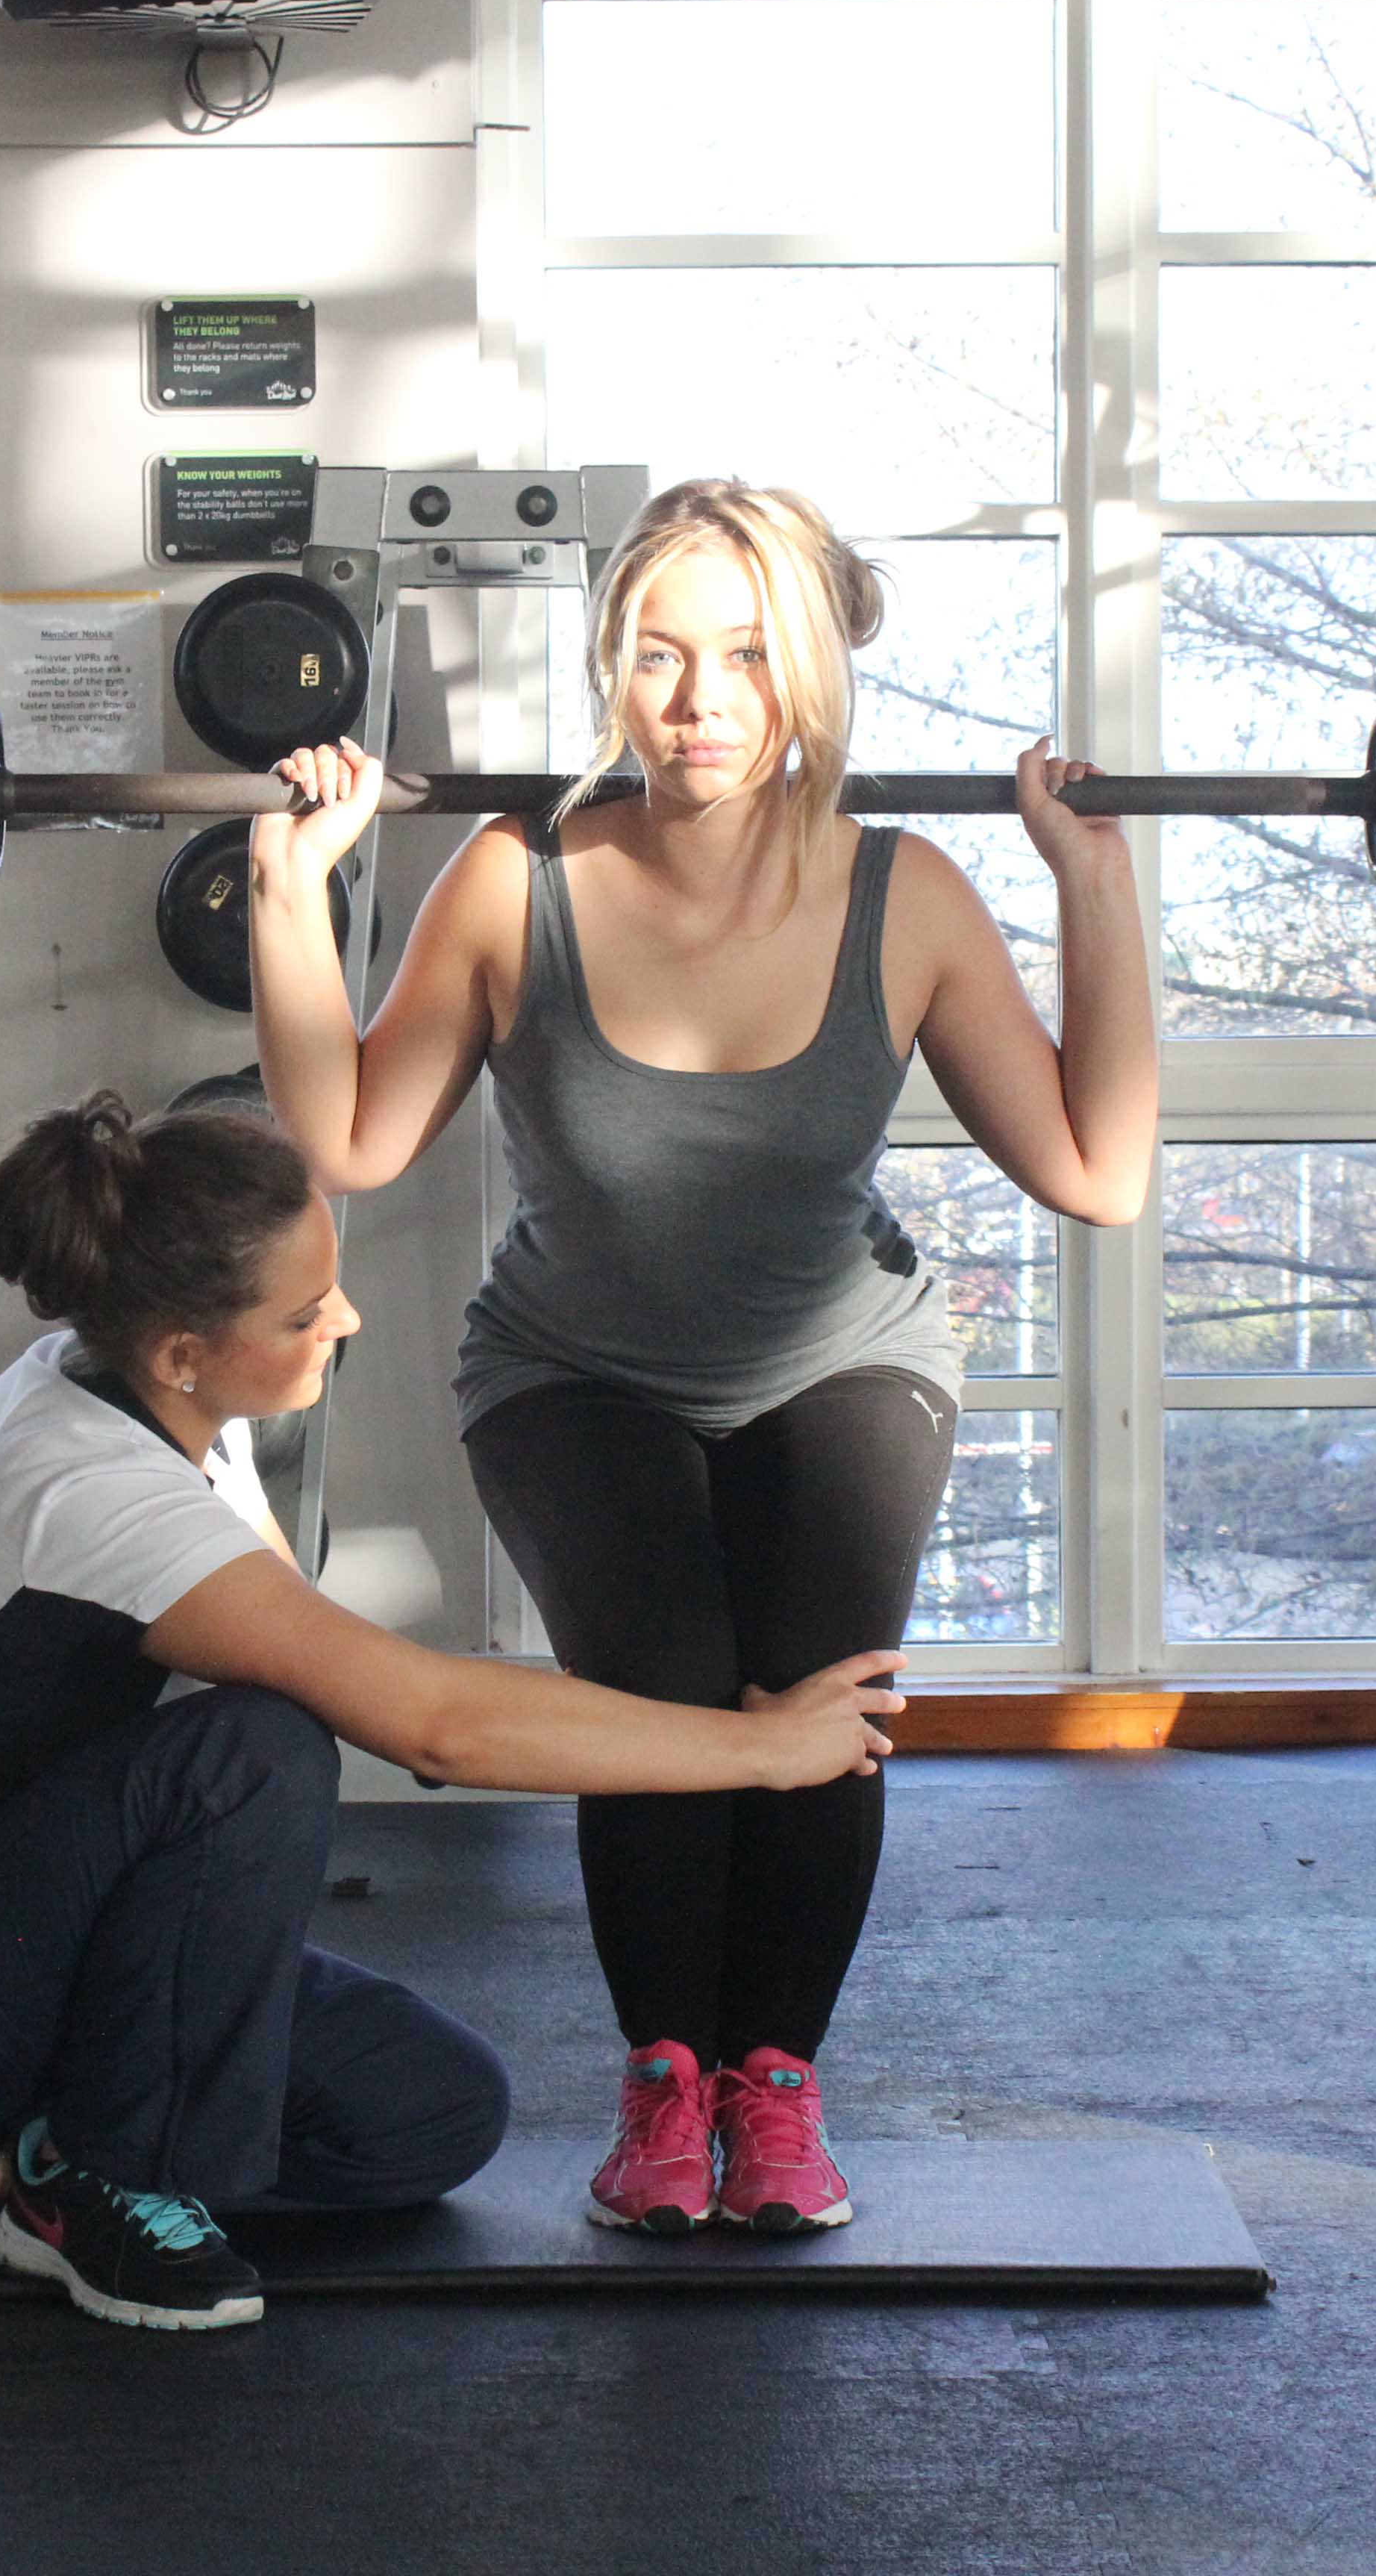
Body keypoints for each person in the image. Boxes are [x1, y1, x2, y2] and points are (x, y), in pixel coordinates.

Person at [243, 477, 1156, 2236]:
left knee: (822, 1691)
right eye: (658, 657)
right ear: (610, 671)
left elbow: (1097, 1173)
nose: (700, 701)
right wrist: (292, 891)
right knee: (661, 1687)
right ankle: (669, 2082)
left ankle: (779, 2088)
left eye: (743, 656)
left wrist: (1095, 883)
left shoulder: (913, 899)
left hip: (838, 1353)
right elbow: (351, 1141)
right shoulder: (516, 883)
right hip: (574, 1366)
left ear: (808, 669)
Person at [0, 1090, 907, 2332]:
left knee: (432, 2114)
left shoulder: (168, 1404)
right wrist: (764, 1751)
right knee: (258, 1749)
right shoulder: (90, 1489)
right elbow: (433, 1726)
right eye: (303, 1312)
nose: (345, 1318)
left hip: (32, 1930)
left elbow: (377, 1680)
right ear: (183, 1347)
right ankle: (103, 2188)